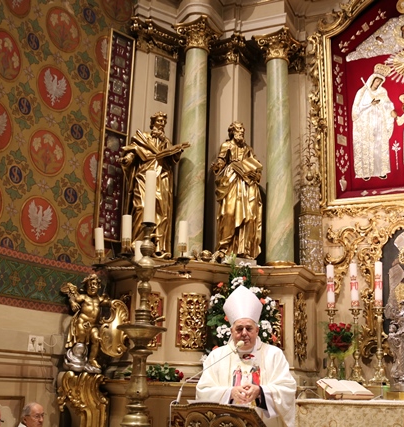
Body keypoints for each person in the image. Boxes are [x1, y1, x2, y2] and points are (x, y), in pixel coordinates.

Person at [196, 286, 296, 427]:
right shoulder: (217, 356)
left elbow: (287, 389)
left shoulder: (274, 354)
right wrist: (230, 393)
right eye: (239, 329)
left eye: (249, 328)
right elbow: (203, 391)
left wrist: (260, 392)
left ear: (257, 330)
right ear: (231, 331)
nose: (244, 333)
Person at [120, 112, 189, 257]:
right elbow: (133, 151)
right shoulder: (143, 137)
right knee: (141, 207)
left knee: (162, 212)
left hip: (162, 178)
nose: (162, 124)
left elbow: (172, 159)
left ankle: (158, 246)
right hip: (144, 176)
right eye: (159, 121)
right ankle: (137, 243)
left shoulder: (166, 142)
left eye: (164, 121)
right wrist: (128, 158)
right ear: (152, 123)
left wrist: (176, 150)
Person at [211, 121, 263, 259]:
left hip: (247, 185)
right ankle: (225, 248)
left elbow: (256, 166)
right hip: (232, 180)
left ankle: (244, 249)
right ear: (232, 131)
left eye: (243, 129)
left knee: (249, 217)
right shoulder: (227, 145)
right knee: (229, 213)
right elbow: (221, 162)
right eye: (239, 129)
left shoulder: (248, 149)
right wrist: (217, 166)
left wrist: (256, 175)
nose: (242, 131)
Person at [352, 63, 395, 179]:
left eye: (380, 82)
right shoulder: (363, 91)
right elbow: (357, 108)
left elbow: (387, 104)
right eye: (376, 81)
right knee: (367, 145)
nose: (378, 83)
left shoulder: (383, 92)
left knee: (379, 145)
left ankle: (381, 170)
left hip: (379, 121)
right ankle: (366, 172)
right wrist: (370, 104)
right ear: (372, 80)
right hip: (366, 122)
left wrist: (391, 111)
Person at [61, 273, 110, 373]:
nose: (92, 286)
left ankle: (92, 360)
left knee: (97, 339)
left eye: (94, 284)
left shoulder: (99, 300)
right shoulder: (83, 297)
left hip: (93, 326)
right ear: (86, 287)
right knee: (81, 341)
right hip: (82, 322)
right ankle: (77, 361)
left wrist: (116, 302)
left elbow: (110, 303)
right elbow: (73, 299)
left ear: (98, 286)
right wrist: (72, 303)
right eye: (89, 285)